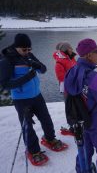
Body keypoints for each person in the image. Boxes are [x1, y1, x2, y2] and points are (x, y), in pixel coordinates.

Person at [0, 33, 64, 164]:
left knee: (46, 119)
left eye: (29, 49)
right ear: (17, 47)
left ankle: (50, 139)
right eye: (24, 50)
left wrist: (37, 65)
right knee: (27, 126)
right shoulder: (7, 60)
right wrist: (27, 77)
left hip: (37, 95)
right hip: (22, 99)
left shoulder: (28, 55)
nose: (27, 52)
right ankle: (33, 150)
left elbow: (43, 69)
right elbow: (5, 85)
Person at [64, 38, 97, 173]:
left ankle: (82, 170)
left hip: (81, 119)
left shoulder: (72, 71)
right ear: (89, 55)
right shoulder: (93, 77)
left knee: (85, 151)